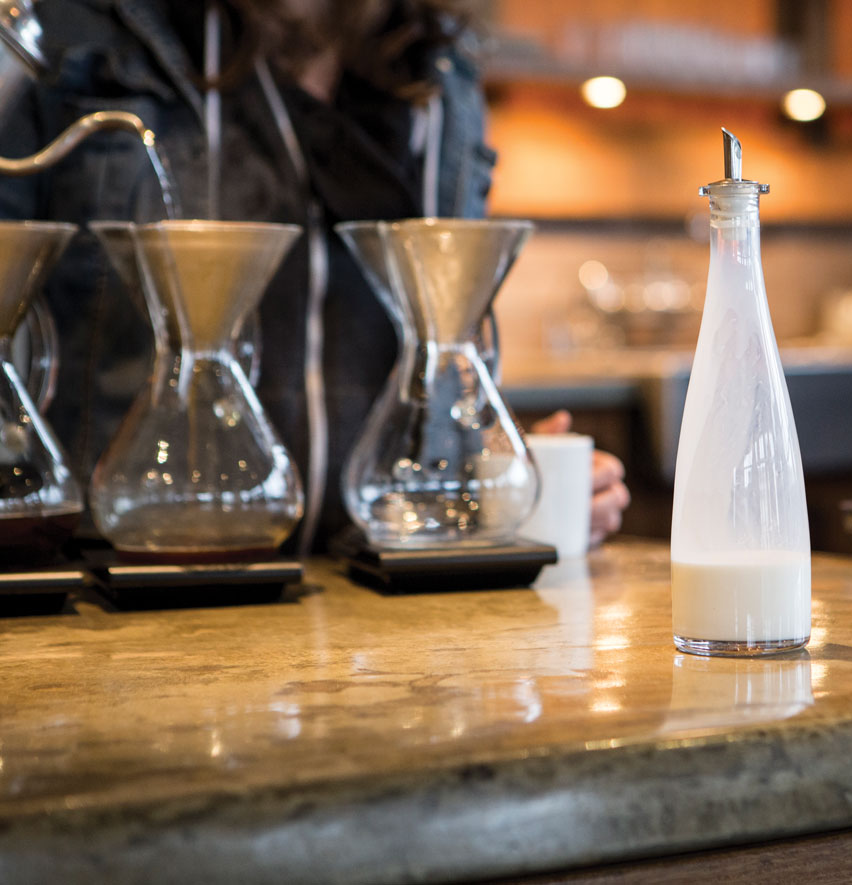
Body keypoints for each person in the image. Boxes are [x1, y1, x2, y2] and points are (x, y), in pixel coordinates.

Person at [0, 0, 629, 550]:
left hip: (395, 597)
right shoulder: (85, 34)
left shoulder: (441, 72)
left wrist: (511, 473)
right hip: (139, 571)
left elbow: (442, 369)